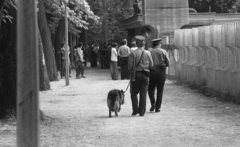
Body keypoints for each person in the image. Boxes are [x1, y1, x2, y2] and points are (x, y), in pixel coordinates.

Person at [128, 35, 153, 116]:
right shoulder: (148, 53)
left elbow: (130, 66)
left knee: (134, 92)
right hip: (146, 75)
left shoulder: (133, 53)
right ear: (143, 43)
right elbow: (151, 65)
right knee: (143, 93)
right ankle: (142, 112)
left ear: (136, 43)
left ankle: (135, 110)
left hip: (136, 75)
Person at [148, 38, 169, 113]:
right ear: (159, 44)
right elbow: (168, 63)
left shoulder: (149, 51)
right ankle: (158, 107)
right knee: (160, 90)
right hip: (161, 72)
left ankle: (153, 103)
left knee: (150, 89)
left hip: (151, 72)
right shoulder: (163, 51)